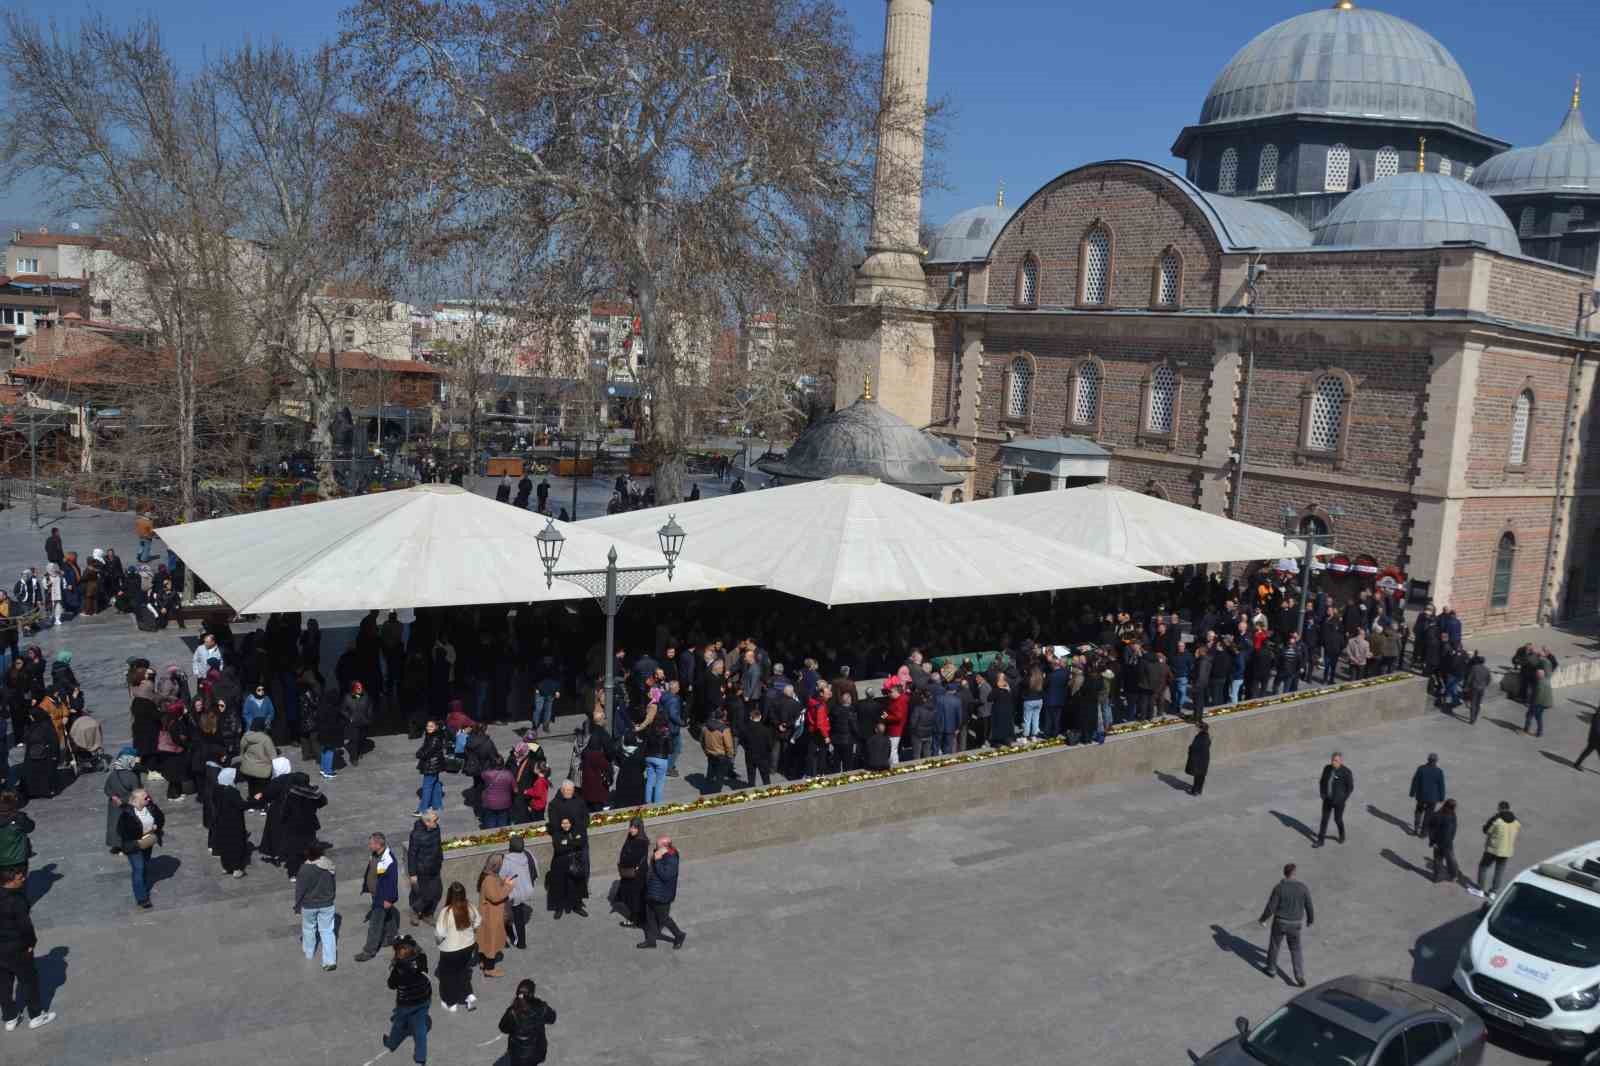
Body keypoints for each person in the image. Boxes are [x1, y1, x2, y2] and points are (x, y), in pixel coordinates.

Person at [0, 865, 53, 1031]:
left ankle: (9, 1018)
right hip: (17, 948)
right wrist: (31, 943)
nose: (23, 879)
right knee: (29, 981)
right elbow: (25, 926)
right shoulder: (16, 900)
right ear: (9, 881)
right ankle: (36, 1015)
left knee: (3, 983)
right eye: (19, 878)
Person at [1258, 862, 1313, 987]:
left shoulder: (1279, 888)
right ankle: (1299, 976)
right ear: (1294, 873)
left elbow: (1271, 907)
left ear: (1284, 873)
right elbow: (1309, 905)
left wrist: (1263, 919)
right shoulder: (1302, 887)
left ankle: (1271, 970)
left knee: (1275, 945)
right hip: (1295, 924)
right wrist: (1310, 919)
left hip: (1280, 922)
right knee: (1295, 949)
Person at [381, 936, 432, 1065]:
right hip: (424, 999)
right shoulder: (422, 959)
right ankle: (420, 1057)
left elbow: (391, 985)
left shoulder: (398, 969)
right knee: (420, 1029)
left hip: (406, 1004)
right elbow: (420, 953)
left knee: (398, 1024)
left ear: (398, 954)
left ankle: (391, 1043)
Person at [433, 882, 479, 1012]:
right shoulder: (470, 906)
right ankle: (468, 994)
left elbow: (439, 933)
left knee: (448, 976)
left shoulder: (446, 912)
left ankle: (451, 1002)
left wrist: (438, 943)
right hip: (468, 946)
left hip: (450, 950)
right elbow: (478, 921)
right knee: (462, 970)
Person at [116, 788, 164, 910]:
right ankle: (142, 899)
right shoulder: (127, 814)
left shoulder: (151, 807)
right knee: (139, 868)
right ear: (136, 800)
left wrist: (157, 826)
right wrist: (143, 832)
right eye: (145, 798)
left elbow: (160, 818)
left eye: (148, 797)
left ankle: (141, 884)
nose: (149, 799)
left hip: (148, 842)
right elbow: (121, 831)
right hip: (134, 844)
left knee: (145, 865)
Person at [355, 832, 400, 962]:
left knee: (375, 924)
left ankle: (369, 951)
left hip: (382, 897)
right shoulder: (375, 855)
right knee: (389, 916)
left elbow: (392, 881)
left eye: (371, 843)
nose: (369, 846)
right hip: (377, 894)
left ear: (378, 844)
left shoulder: (388, 860)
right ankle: (392, 937)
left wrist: (389, 899)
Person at [294, 841, 338, 970]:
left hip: (309, 905)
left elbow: (300, 890)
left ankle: (309, 952)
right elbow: (332, 885)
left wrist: (297, 906)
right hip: (327, 904)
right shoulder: (329, 866)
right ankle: (330, 961)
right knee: (327, 931)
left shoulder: (304, 869)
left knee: (309, 928)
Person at [638, 833, 686, 949]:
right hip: (652, 893)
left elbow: (665, 876)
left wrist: (658, 860)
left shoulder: (672, 858)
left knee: (664, 919)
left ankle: (679, 935)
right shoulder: (659, 852)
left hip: (662, 896)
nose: (655, 847)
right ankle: (651, 941)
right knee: (650, 918)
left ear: (665, 846)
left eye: (658, 845)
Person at [500, 978, 558, 1066]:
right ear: (532, 994)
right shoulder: (541, 1007)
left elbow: (503, 1028)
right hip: (537, 1050)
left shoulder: (512, 1012)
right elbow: (552, 1018)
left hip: (518, 1054)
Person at [1474, 801, 1521, 901]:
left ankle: (1480, 889)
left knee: (1483, 867)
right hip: (1506, 850)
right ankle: (1493, 892)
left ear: (1500, 808)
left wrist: (1491, 821)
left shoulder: (1497, 820)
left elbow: (1486, 830)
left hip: (1493, 849)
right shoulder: (1516, 821)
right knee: (1499, 871)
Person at [475, 854, 511, 979]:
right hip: (491, 916)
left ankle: (483, 962)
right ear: (496, 865)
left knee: (485, 940)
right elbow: (495, 897)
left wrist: (504, 882)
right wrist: (508, 887)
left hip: (488, 915)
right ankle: (489, 969)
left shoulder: (487, 875)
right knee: (491, 943)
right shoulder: (489, 880)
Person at [405, 811, 444, 926]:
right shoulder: (416, 835)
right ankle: (415, 912)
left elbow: (439, 845)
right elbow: (411, 854)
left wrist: (440, 859)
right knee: (423, 894)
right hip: (422, 869)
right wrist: (412, 874)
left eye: (437, 820)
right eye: (434, 821)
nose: (437, 823)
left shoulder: (436, 829)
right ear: (427, 822)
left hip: (435, 867)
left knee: (437, 892)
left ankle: (428, 914)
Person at [546, 814, 589, 919]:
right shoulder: (557, 834)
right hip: (560, 865)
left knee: (575, 885)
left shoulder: (576, 831)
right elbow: (558, 849)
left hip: (574, 863)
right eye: (563, 823)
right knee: (560, 887)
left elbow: (582, 842)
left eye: (567, 823)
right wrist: (573, 842)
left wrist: (566, 842)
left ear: (571, 823)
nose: (565, 825)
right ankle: (559, 908)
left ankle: (577, 906)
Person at [102, 748, 142, 853]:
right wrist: (123, 800)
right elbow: (136, 794)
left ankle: (116, 846)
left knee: (114, 824)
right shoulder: (132, 776)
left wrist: (115, 798)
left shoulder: (112, 775)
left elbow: (106, 789)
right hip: (128, 806)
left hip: (114, 805)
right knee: (127, 825)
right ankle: (125, 845)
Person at [503, 836, 537, 950]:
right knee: (518, 912)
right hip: (527, 889)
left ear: (510, 847)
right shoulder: (528, 855)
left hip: (515, 893)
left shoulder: (506, 861)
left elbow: (500, 877)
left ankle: (521, 943)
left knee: (517, 917)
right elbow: (535, 869)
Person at [1314, 751, 1353, 848]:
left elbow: (1350, 787)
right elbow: (1322, 781)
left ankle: (1342, 834)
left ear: (1340, 761)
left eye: (1336, 761)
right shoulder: (1327, 768)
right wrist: (1322, 793)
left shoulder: (1346, 772)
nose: (1333, 762)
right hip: (1327, 800)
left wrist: (1343, 798)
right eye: (1332, 760)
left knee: (1337, 819)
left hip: (1339, 802)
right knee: (1324, 820)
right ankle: (1320, 840)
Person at [616, 816, 649, 929]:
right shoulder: (631, 837)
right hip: (630, 874)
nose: (632, 830)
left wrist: (623, 861)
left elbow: (632, 859)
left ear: (640, 828)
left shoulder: (642, 841)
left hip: (637, 875)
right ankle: (637, 917)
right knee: (630, 896)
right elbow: (624, 851)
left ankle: (636, 920)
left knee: (635, 897)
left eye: (635, 827)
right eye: (631, 827)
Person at [1408, 753, 1445, 836]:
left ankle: (1416, 829)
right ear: (1436, 761)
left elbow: (1415, 781)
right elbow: (1441, 786)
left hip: (1421, 796)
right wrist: (1442, 797)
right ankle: (1424, 832)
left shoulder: (1421, 769)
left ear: (1428, 760)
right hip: (1432, 798)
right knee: (1429, 815)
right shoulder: (1439, 772)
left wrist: (1412, 792)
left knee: (1418, 811)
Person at [414, 721, 446, 816]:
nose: (429, 728)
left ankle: (422, 809)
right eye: (428, 726)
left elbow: (428, 751)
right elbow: (424, 747)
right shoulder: (430, 735)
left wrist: (419, 754)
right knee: (435, 784)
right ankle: (437, 805)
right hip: (435, 764)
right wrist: (420, 751)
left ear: (436, 727)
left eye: (431, 726)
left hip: (431, 765)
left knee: (427, 787)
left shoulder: (435, 738)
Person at [1428, 798, 1459, 885]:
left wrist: (1432, 842)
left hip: (1437, 843)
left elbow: (1431, 829)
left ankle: (1437, 877)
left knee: (1438, 860)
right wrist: (1452, 838)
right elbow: (1454, 829)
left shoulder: (1437, 815)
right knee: (1450, 859)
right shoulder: (1452, 816)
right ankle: (1453, 875)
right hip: (1447, 843)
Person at [1184, 721, 1210, 797]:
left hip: (1198, 759)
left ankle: (1195, 790)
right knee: (1202, 775)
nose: (1196, 728)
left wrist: (1190, 748)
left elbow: (1194, 747)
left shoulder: (1199, 737)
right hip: (1204, 759)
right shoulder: (1207, 736)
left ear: (1201, 729)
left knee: (1197, 775)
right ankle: (1199, 790)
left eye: (1198, 727)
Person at [1464, 653, 1490, 725]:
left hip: (1474, 688)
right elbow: (1488, 680)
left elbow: (1470, 678)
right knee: (1478, 703)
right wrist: (1484, 685)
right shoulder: (1487, 669)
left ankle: (1472, 719)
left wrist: (1466, 687)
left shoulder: (1474, 668)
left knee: (1473, 703)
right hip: (1482, 688)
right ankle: (1475, 717)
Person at [1526, 668, 1552, 737]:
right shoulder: (1547, 681)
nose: (1535, 675)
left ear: (1539, 675)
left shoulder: (1539, 683)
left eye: (1537, 674)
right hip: (1544, 703)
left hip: (1538, 703)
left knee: (1537, 717)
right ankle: (1527, 728)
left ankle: (1539, 732)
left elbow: (1537, 696)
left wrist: (1531, 703)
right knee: (1531, 715)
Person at [1575, 705, 1600, 772]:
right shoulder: (1597, 718)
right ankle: (1577, 764)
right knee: (1586, 752)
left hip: (1593, 739)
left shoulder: (1596, 717)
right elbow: (1596, 730)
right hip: (1596, 739)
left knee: (1586, 752)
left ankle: (1577, 764)